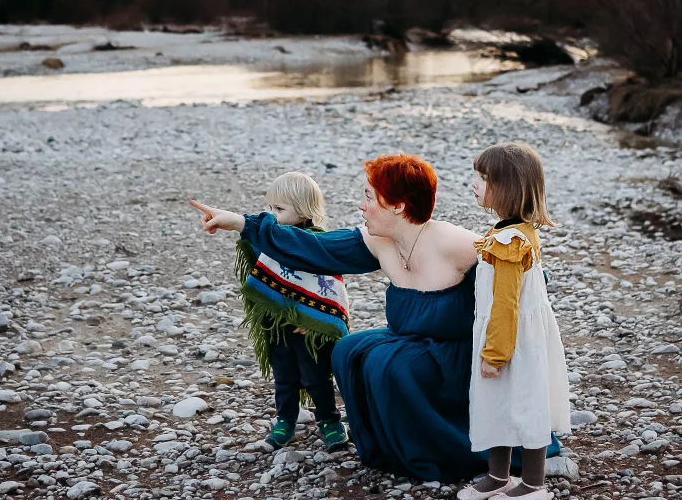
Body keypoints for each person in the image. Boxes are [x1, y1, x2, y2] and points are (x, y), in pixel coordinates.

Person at [191, 154, 495, 482]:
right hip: (410, 338)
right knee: (349, 350)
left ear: (397, 206)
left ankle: (440, 448)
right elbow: (311, 247)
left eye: (368, 197)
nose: (361, 206)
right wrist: (239, 222)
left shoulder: (458, 243)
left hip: (455, 354)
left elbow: (521, 280)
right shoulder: (378, 242)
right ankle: (388, 443)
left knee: (392, 364)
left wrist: (499, 352)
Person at [192, 173, 350, 452]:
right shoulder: (271, 240)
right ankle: (285, 420)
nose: (271, 215)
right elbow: (254, 248)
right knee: (284, 376)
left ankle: (329, 419)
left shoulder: (316, 245)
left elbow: (330, 289)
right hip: (277, 323)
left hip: (309, 328)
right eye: (270, 208)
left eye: (279, 209)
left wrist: (317, 321)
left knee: (316, 376)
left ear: (303, 210)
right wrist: (233, 226)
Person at [457, 141, 571, 500]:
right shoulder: (511, 231)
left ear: (507, 187)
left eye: (482, 178)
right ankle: (498, 475)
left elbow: (506, 304)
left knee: (524, 402)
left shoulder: (509, 241)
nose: (473, 183)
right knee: (498, 403)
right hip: (513, 335)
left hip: (511, 339)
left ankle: (534, 482)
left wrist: (495, 353)